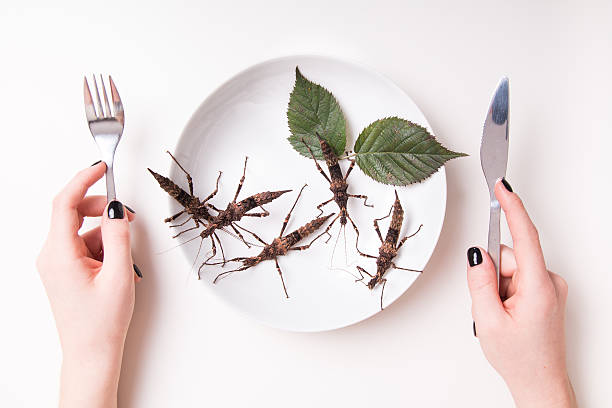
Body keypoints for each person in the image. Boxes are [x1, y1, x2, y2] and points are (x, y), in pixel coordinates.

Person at [37, 163, 577, 408]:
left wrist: (88, 358)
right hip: (277, 224)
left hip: (292, 222)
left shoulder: (273, 237)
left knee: (291, 231)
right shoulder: (249, 237)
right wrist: (544, 385)